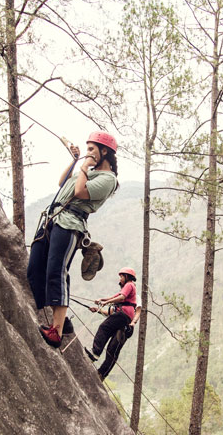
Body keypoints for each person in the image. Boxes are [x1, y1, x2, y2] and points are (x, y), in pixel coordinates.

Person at [27, 131, 119, 348]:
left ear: (104, 151)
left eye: (91, 149)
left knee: (56, 271)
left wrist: (84, 165)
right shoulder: (85, 171)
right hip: (52, 219)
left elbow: (79, 191)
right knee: (34, 269)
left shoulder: (108, 179)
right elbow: (62, 183)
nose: (88, 152)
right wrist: (75, 160)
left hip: (70, 224)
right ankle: (62, 319)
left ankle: (57, 331)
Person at [84, 267, 138, 377]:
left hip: (123, 314)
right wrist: (102, 300)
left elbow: (121, 297)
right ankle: (96, 357)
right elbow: (116, 296)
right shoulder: (129, 286)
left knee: (104, 328)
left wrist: (106, 302)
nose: (120, 279)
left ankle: (95, 353)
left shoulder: (129, 285)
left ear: (127, 276)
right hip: (125, 316)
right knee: (108, 335)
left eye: (121, 276)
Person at [95, 301, 141, 381]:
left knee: (112, 349)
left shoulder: (135, 297)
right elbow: (111, 312)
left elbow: (138, 311)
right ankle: (100, 369)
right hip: (116, 321)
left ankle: (102, 373)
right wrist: (98, 310)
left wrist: (133, 322)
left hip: (125, 326)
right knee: (109, 346)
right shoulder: (120, 300)